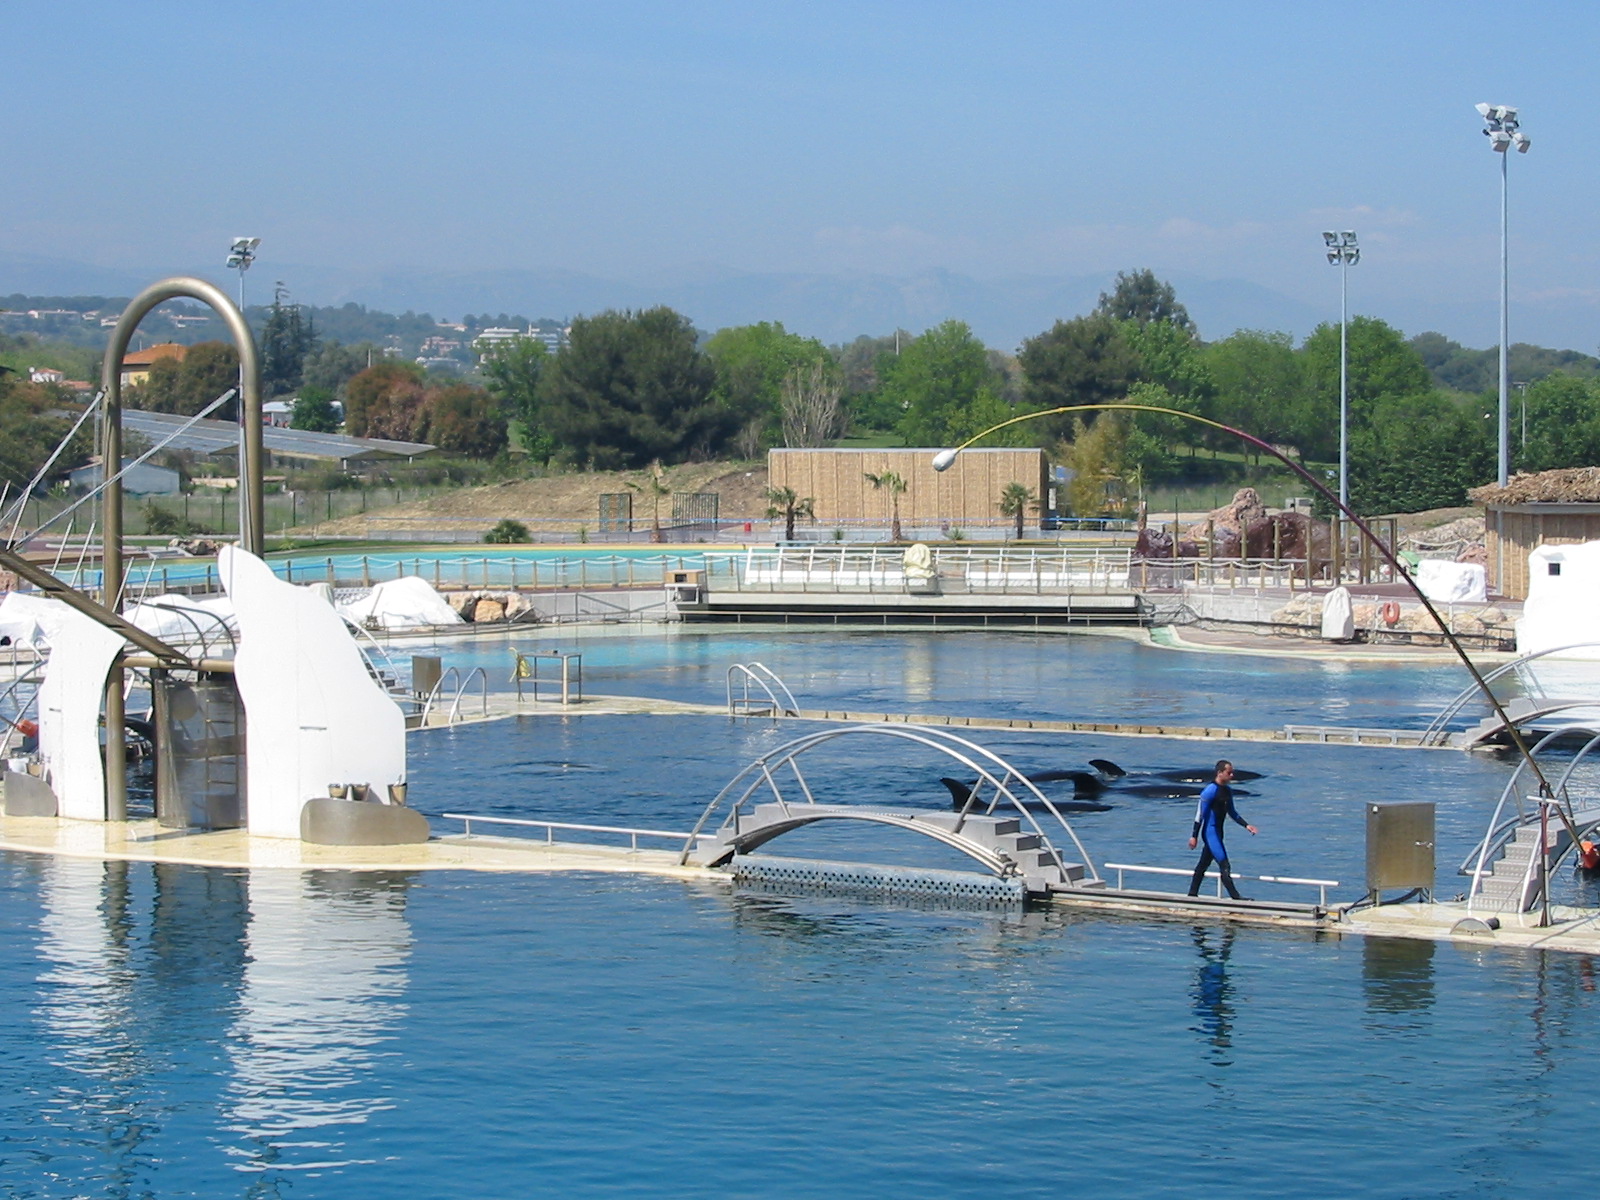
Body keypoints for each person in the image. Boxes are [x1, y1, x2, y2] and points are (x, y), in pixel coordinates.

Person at [1187, 759, 1257, 900]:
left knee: (1203, 865)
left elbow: (1232, 812)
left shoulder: (1227, 791)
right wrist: (1194, 836)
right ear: (1220, 773)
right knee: (1224, 864)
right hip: (1210, 832)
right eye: (1229, 772)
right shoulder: (1210, 791)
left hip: (1219, 832)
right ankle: (1236, 898)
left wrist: (1246, 825)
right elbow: (1200, 815)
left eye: (1232, 773)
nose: (1232, 775)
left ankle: (1192, 895)